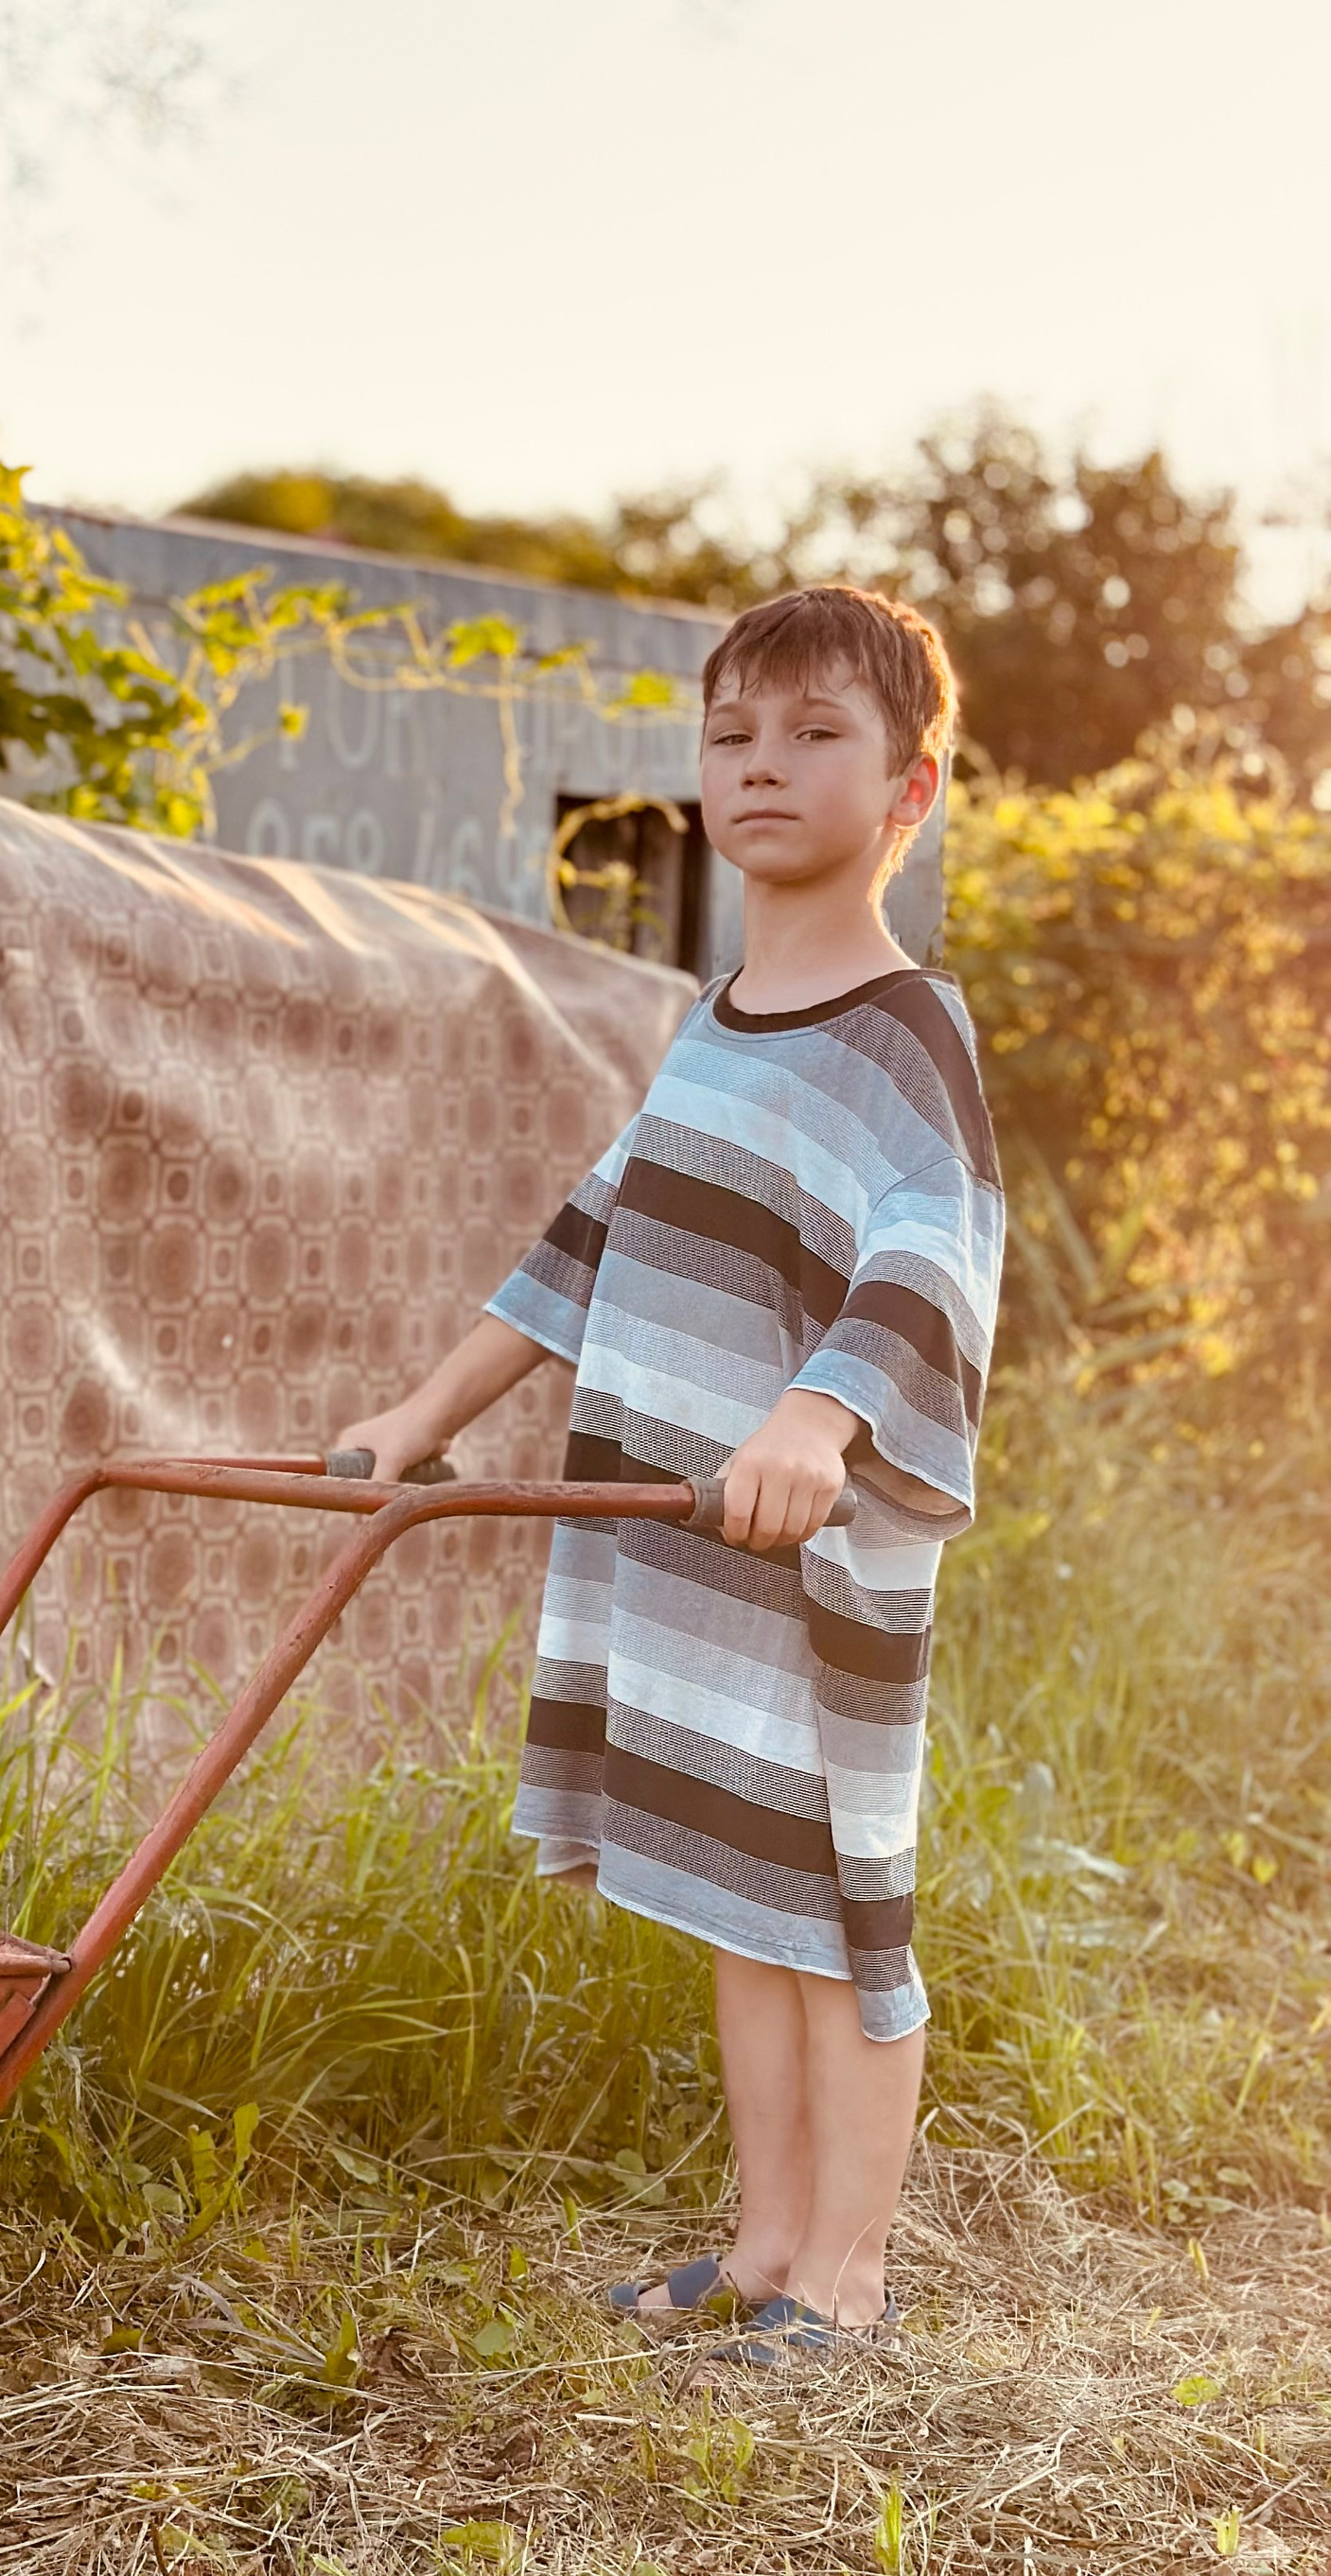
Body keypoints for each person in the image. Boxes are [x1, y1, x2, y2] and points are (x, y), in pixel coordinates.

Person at [334, 583, 1003, 2365]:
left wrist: (822, 1416)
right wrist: (427, 1408)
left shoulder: (904, 1027)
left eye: (815, 735)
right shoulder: (715, 1019)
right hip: (689, 1534)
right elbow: (599, 1230)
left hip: (814, 1535)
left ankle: (847, 2284)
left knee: (843, 1900)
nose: (763, 766)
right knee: (736, 1884)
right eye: (733, 735)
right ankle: (767, 2245)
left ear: (911, 787)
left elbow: (933, 1251)